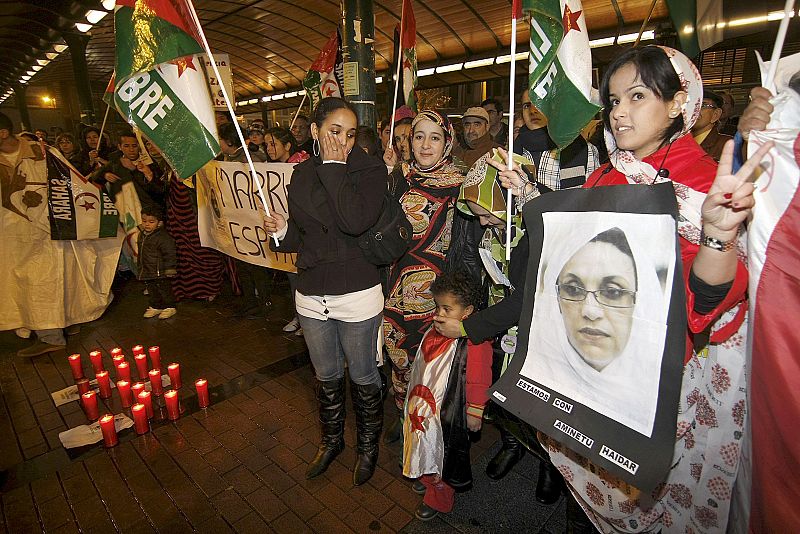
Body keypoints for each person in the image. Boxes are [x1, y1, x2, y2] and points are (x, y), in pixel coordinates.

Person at [489, 44, 771, 533]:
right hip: (600, 371)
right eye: (614, 100)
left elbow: (703, 301)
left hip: (663, 380)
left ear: (680, 101)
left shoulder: (705, 180)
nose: (619, 112)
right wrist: (533, 198)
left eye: (637, 96)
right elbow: (576, 239)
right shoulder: (608, 173)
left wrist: (719, 235)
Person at [263, 97, 387, 486]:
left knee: (364, 376)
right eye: (334, 131)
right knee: (327, 374)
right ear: (315, 131)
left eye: (350, 134)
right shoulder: (300, 174)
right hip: (311, 293)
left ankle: (368, 448)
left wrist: (335, 168)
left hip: (356, 292)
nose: (343, 142)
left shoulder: (368, 168)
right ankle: (331, 441)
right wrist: (283, 230)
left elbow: (352, 222)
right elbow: (309, 234)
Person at [382, 109, 469, 444]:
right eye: (419, 136)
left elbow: (466, 247)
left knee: (431, 367)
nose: (426, 145)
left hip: (437, 295)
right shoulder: (400, 179)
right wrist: (390, 176)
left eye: (435, 137)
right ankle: (404, 416)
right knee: (398, 355)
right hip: (396, 285)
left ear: (447, 142)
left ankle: (426, 441)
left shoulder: (461, 186)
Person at [402, 271, 492, 521]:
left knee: (445, 455)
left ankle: (439, 496)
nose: (439, 314)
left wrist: (475, 410)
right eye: (437, 307)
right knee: (426, 442)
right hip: (426, 409)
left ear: (467, 311)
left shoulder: (475, 342)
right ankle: (426, 472)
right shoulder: (436, 331)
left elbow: (479, 377)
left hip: (451, 414)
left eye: (446, 309)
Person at [219, 122, 272, 319]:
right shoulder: (227, 158)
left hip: (253, 220)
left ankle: (264, 300)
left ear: (230, 141)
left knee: (256, 264)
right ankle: (250, 302)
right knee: (242, 264)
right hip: (237, 220)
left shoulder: (250, 158)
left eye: (221, 140)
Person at [265, 126, 308, 334]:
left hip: (300, 232)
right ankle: (298, 316)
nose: (268, 148)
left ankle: (307, 319)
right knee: (292, 277)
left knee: (302, 278)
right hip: (286, 231)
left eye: (273, 144)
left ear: (288, 145)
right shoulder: (271, 170)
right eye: (266, 145)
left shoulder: (302, 165)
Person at [515, 90, 599, 192]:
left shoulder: (583, 150)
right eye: (527, 106)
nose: (532, 111)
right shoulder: (513, 150)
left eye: (539, 103)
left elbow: (590, 199)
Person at [90, 129, 167, 209]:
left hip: (146, 212)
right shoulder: (115, 162)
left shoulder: (150, 164)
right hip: (123, 210)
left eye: (134, 146)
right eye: (126, 146)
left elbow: (159, 190)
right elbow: (95, 177)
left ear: (139, 146)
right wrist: (104, 175)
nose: (131, 150)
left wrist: (136, 171)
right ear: (120, 147)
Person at [137, 205, 177, 319]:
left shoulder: (163, 237)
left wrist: (170, 268)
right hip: (147, 270)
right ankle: (156, 306)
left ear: (159, 223)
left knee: (164, 289)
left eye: (151, 221)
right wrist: (140, 267)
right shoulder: (142, 235)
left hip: (160, 271)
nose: (147, 224)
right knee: (151, 289)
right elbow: (141, 253)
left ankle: (170, 306)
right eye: (144, 221)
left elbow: (170, 253)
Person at [692, 88, 732, 161]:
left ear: (716, 114)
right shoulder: (675, 143)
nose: (694, 110)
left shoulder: (728, 145)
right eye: (691, 106)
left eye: (702, 105)